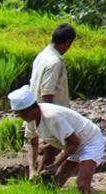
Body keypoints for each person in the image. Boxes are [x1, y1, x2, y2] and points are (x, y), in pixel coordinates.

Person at [8, 85, 104, 194]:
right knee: (55, 182)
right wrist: (32, 170)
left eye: (19, 114)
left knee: (82, 184)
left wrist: (56, 164)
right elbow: (32, 144)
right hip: (71, 144)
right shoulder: (31, 120)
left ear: (27, 111)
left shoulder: (51, 117)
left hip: (90, 141)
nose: (19, 117)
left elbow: (74, 142)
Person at [26, 24, 77, 178]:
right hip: (47, 110)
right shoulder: (55, 61)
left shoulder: (42, 55)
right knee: (52, 147)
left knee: (33, 141)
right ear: (67, 42)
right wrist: (52, 116)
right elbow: (47, 91)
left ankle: (33, 174)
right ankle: (43, 180)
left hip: (32, 106)